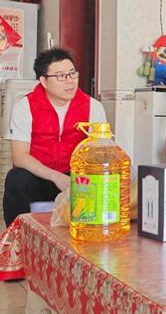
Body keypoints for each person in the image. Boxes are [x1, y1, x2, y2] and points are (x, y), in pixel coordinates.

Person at [3, 48, 107, 226]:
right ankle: (17, 236)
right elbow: (20, 157)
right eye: (60, 76)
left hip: (75, 176)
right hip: (39, 176)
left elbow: (99, 152)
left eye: (72, 73)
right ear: (44, 81)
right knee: (16, 179)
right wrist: (56, 177)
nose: (70, 81)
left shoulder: (93, 107)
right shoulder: (25, 106)